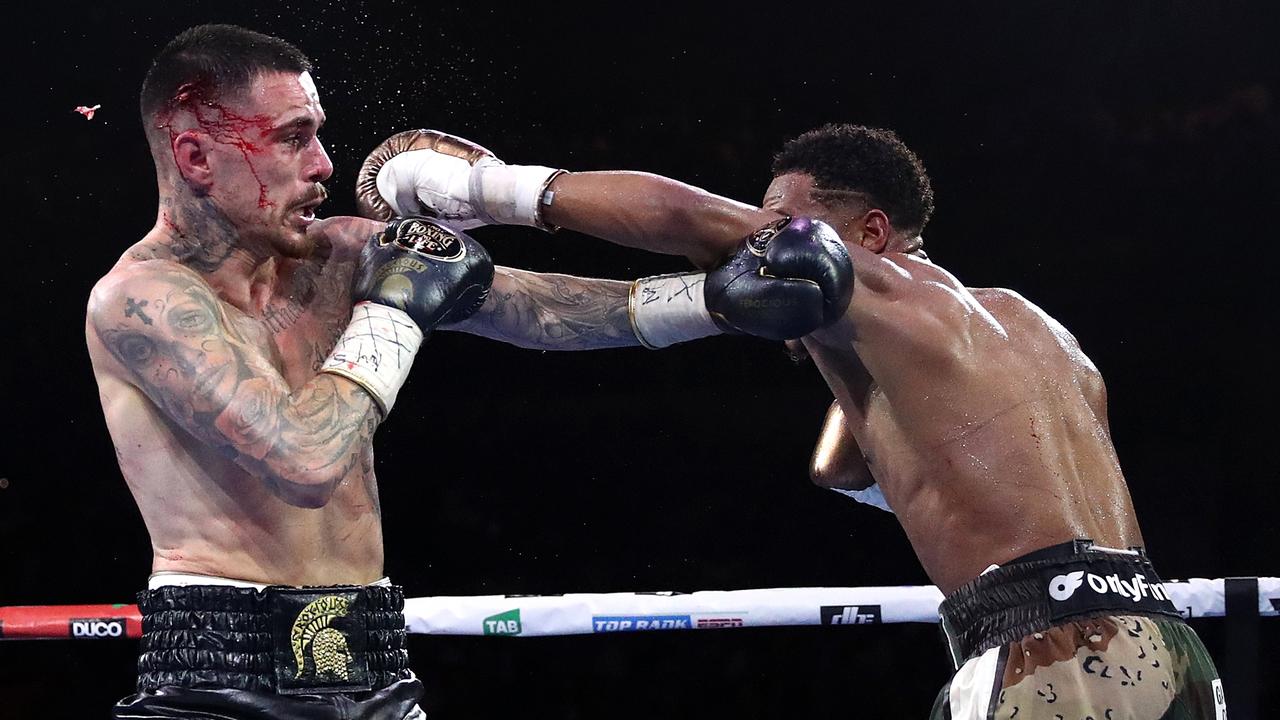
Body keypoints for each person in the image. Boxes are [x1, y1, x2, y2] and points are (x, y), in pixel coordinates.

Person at [87, 24, 850, 719]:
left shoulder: (339, 253)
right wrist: (396, 311)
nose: (323, 164)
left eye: (318, 134)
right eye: (292, 139)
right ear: (194, 156)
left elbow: (534, 309)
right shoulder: (142, 301)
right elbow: (305, 457)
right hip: (218, 682)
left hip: (374, 663)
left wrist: (711, 303)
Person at [360, 123, 1226, 718]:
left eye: (783, 221)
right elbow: (847, 474)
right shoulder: (1037, 333)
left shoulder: (882, 289)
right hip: (1159, 644)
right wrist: (829, 357)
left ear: (869, 233)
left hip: (1056, 651)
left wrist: (468, 187)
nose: (764, 243)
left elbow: (689, 217)